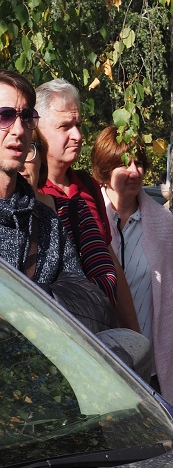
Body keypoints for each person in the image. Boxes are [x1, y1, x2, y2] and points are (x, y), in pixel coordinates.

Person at [92, 126, 173, 404]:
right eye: (124, 164)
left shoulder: (162, 222)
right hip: (95, 361)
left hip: (148, 367)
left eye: (138, 163)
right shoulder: (88, 217)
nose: (134, 171)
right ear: (104, 170)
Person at [35, 79, 138, 332]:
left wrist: (134, 334)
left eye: (78, 125)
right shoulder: (29, 193)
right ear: (36, 129)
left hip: (96, 331)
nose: (78, 136)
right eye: (65, 126)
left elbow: (110, 264)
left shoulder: (88, 187)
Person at [0, 70, 82, 284]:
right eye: (5, 116)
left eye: (26, 117)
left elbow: (85, 295)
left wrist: (41, 297)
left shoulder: (49, 224)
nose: (18, 130)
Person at [22, 129, 119, 309]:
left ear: (41, 158)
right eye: (8, 150)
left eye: (27, 149)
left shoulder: (73, 211)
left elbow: (106, 281)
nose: (19, 161)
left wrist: (42, 300)